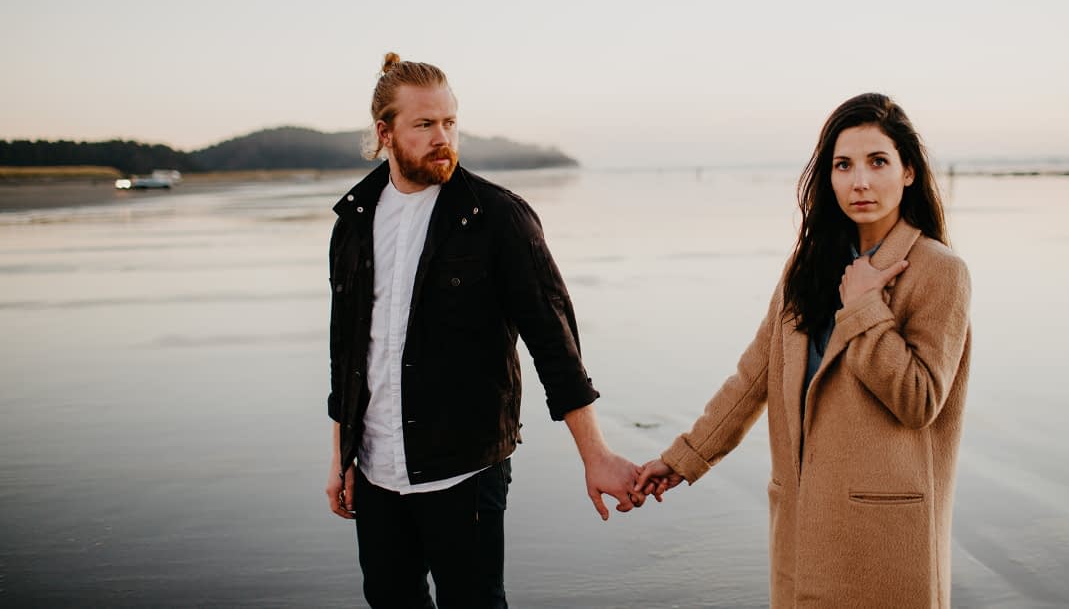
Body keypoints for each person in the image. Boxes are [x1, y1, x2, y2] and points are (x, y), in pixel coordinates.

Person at [325, 53, 644, 609]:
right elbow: (348, 353)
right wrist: (341, 458)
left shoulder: (497, 217)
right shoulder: (353, 223)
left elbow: (555, 345)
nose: (442, 136)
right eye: (424, 124)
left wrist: (595, 454)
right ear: (385, 133)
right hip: (376, 473)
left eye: (450, 122)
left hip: (464, 471)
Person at [636, 93, 972, 608]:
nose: (860, 180)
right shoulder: (807, 267)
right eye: (844, 165)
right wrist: (682, 459)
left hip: (883, 541)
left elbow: (919, 400)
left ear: (908, 172)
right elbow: (754, 377)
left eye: (877, 161)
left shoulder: (940, 271)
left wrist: (864, 308)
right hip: (802, 528)